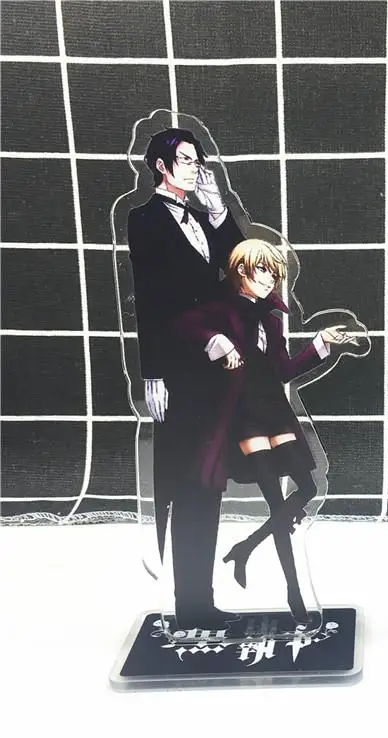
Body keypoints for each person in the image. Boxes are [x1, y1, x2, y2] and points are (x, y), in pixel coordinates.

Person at [169, 238, 357, 624]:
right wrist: (217, 341)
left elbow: (284, 370)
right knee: (277, 502)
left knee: (307, 488)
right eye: (263, 271)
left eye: (275, 274)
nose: (271, 280)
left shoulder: (270, 319)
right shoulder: (219, 310)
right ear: (241, 271)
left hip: (275, 410)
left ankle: (246, 546)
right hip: (244, 415)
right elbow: (182, 325)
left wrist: (321, 343)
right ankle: (294, 595)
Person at [127, 127, 244, 630]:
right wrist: (152, 372)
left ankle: (201, 602)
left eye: (199, 160)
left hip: (213, 370)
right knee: (183, 483)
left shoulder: (199, 217)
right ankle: (190, 603)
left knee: (208, 482)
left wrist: (218, 212)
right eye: (188, 160)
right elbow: (150, 301)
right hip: (176, 370)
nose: (197, 168)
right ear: (162, 166)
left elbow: (238, 268)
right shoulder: (145, 220)